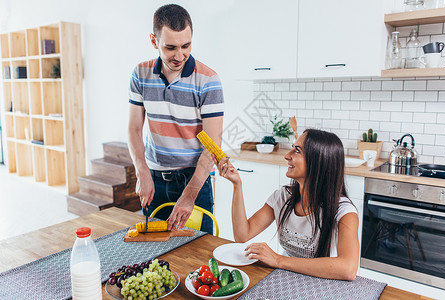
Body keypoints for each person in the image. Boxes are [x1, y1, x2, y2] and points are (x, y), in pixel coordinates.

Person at [128, 4, 224, 235]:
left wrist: (190, 194)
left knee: (198, 254)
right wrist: (142, 172)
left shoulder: (208, 80)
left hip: (195, 180)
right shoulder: (140, 74)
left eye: (186, 45)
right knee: (155, 255)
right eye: (170, 47)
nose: (179, 55)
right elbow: (133, 129)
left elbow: (213, 144)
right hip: (155, 179)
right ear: (154, 41)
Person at [214, 129, 359, 280]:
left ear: (318, 161)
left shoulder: (344, 212)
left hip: (324, 284)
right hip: (286, 277)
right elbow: (242, 235)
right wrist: (237, 185)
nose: (287, 155)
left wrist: (278, 260)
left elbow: (348, 269)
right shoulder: (283, 197)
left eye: (297, 150)